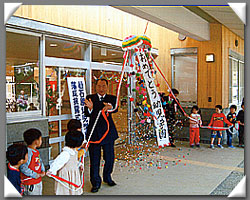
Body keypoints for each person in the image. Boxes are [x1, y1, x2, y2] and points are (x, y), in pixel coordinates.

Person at [84, 79, 118, 193]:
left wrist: (110, 107)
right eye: (99, 86)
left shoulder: (112, 98)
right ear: (95, 87)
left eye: (103, 86)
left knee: (109, 158)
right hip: (94, 133)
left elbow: (115, 108)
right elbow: (86, 113)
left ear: (107, 87)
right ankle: (95, 183)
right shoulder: (90, 98)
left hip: (108, 133)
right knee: (94, 159)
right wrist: (91, 108)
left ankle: (107, 177)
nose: (101, 88)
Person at [47, 130, 84, 195]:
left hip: (73, 174)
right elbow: (57, 162)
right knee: (65, 192)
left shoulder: (74, 151)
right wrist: (52, 170)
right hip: (66, 176)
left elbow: (74, 161)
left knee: (72, 191)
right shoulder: (66, 154)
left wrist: (79, 164)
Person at [20, 129, 46, 195]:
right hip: (30, 183)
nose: (41, 141)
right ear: (36, 141)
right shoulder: (28, 153)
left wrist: (43, 170)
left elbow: (40, 162)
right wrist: (35, 175)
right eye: (40, 139)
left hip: (37, 181)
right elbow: (23, 168)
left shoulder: (36, 151)